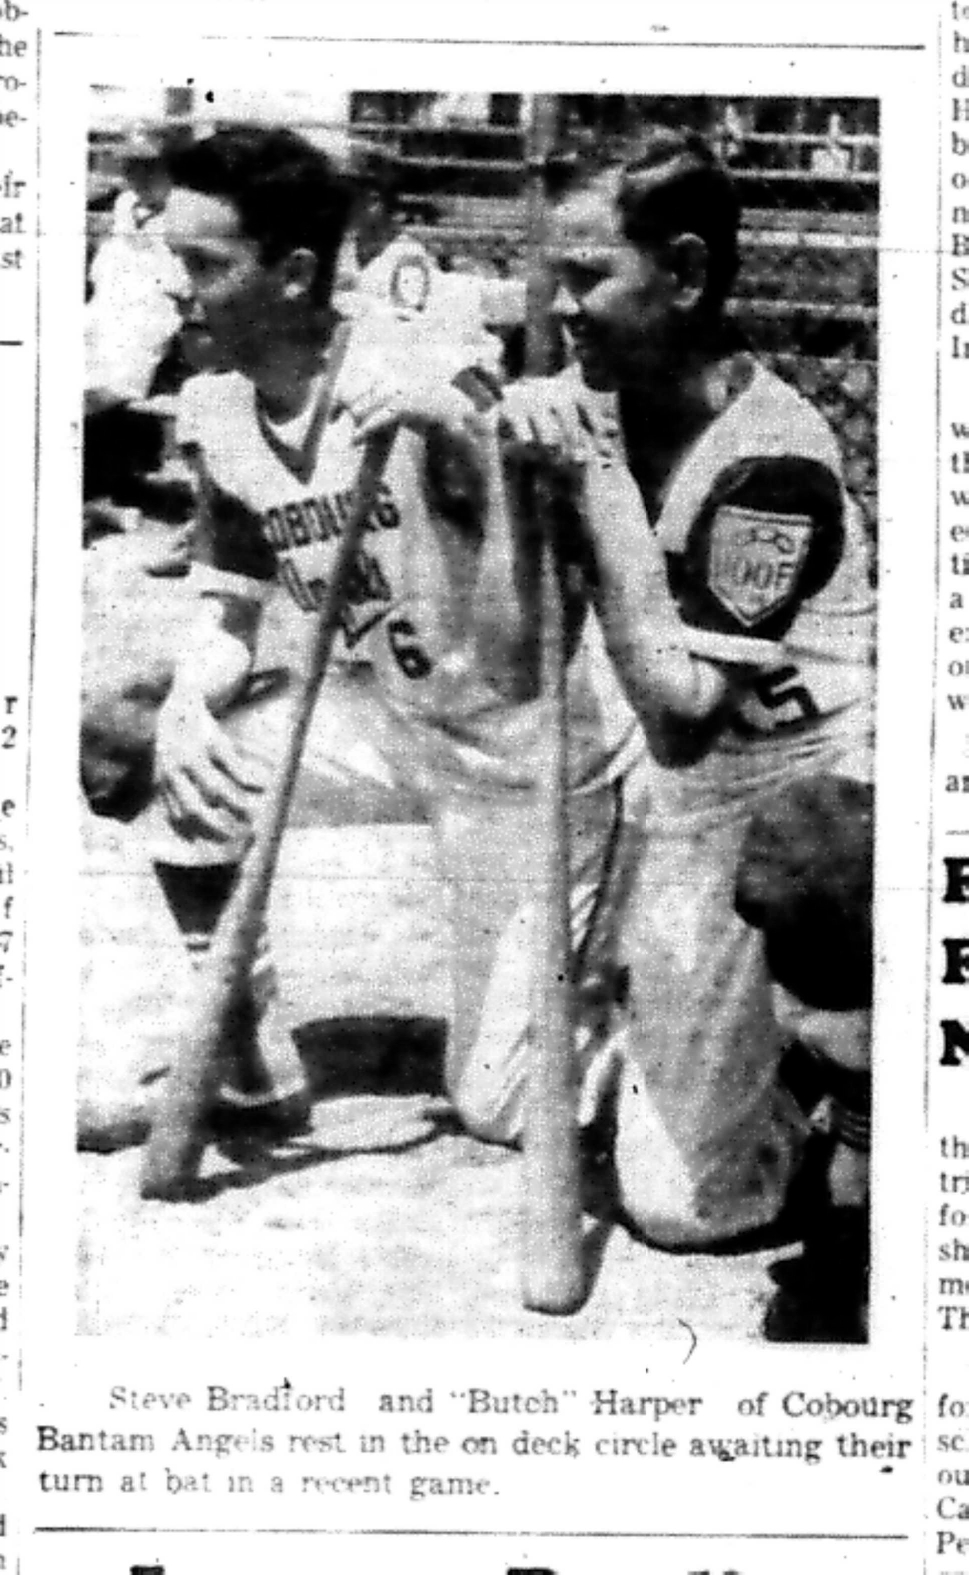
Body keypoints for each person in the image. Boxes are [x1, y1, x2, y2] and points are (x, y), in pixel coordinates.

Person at [116, 125, 642, 1148]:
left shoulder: (426, 364)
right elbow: (229, 605)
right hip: (382, 716)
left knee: (505, 1110)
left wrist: (460, 437)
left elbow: (536, 620)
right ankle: (246, 1058)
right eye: (170, 258)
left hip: (524, 751)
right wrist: (187, 702)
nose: (177, 289)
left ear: (296, 272)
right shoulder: (221, 404)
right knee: (134, 739)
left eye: (204, 265)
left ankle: (639, 998)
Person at [499, 127, 875, 1261]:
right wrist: (524, 494)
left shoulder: (774, 459)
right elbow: (520, 659)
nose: (561, 310)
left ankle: (834, 1072)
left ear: (689, 272)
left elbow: (679, 717)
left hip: (804, 797)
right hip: (666, 803)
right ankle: (672, 1021)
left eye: (587, 278)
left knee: (692, 1211)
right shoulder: (591, 398)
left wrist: (599, 492)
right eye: (552, 279)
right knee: (505, 1102)